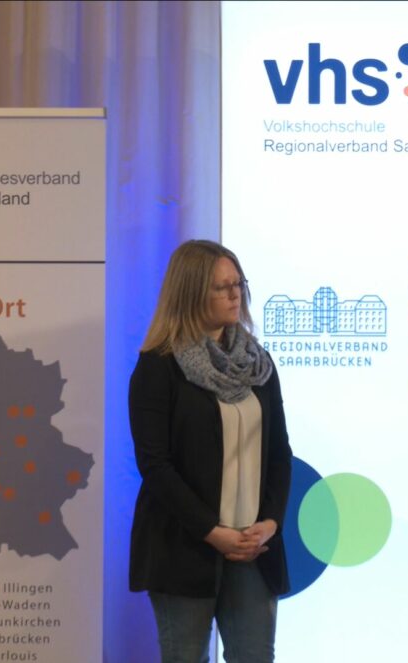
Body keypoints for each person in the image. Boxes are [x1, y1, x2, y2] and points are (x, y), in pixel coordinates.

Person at [128, 239, 292, 662]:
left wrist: (270, 522)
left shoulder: (258, 364)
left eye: (239, 284)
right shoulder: (158, 366)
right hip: (183, 545)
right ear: (191, 293)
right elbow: (155, 465)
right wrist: (212, 532)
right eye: (222, 287)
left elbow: (279, 453)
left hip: (254, 547)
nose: (235, 295)